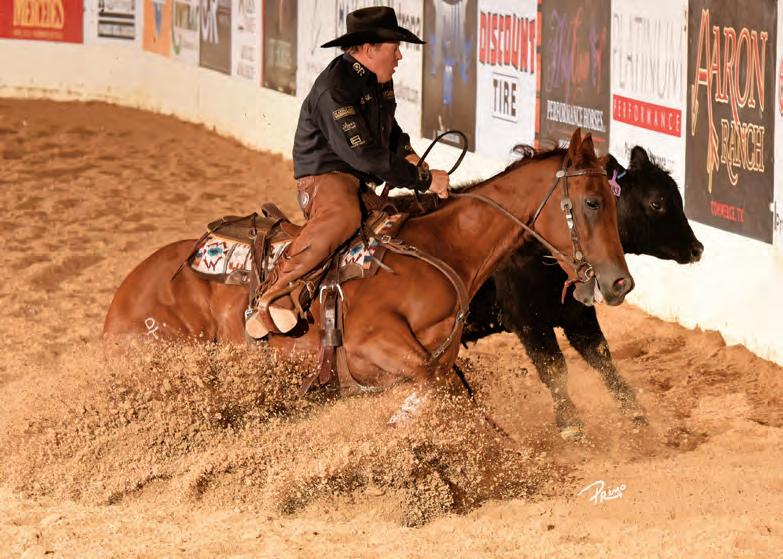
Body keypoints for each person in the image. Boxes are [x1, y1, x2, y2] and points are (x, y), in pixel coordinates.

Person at [246, 6, 450, 338]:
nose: (399, 56)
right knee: (343, 216)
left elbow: (388, 130)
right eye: (395, 48)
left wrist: (409, 154)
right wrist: (424, 179)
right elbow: (365, 155)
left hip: (356, 175)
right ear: (369, 50)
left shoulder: (377, 80)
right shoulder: (335, 89)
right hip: (325, 177)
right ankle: (275, 294)